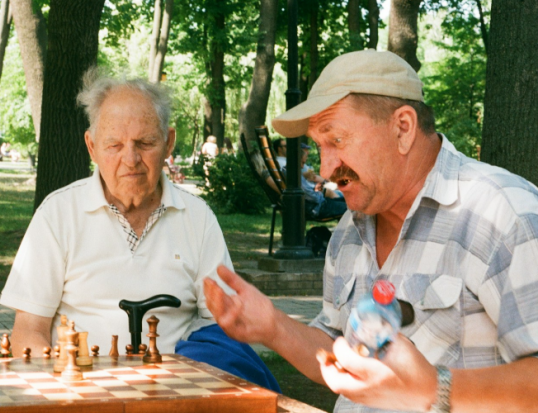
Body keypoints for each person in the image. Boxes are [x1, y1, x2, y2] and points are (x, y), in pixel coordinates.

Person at [204, 49, 538, 412]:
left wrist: (435, 388)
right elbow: (338, 352)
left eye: (337, 140)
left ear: (403, 128)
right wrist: (272, 326)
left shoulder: (504, 213)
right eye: (319, 146)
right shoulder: (350, 229)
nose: (327, 169)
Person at [0, 72, 279, 391]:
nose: (130, 159)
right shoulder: (57, 214)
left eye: (145, 143)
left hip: (177, 398)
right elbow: (29, 330)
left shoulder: (197, 217)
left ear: (168, 142)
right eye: (114, 145)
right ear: (92, 146)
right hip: (83, 395)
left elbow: (222, 329)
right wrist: (68, 386)